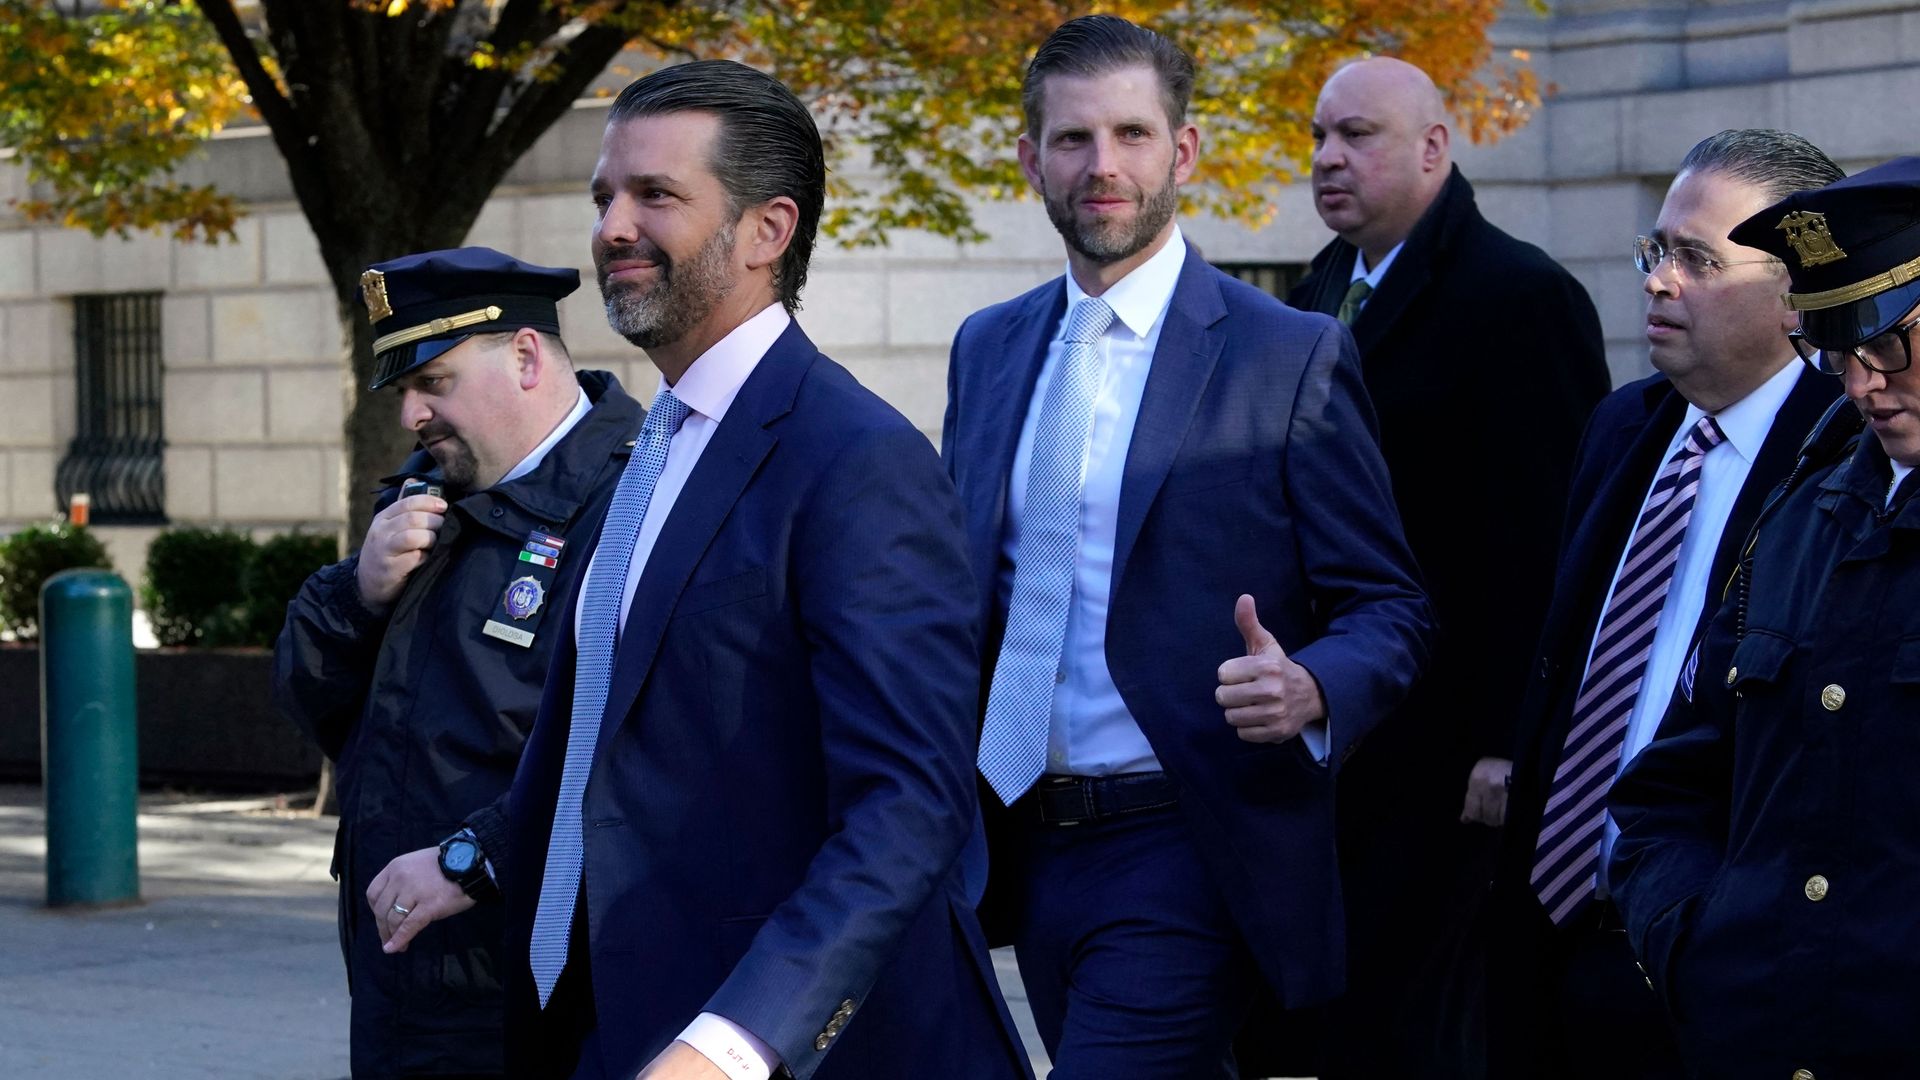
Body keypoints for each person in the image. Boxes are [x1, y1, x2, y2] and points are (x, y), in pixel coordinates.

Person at [394, 60, 1029, 1080]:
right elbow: (619, 733)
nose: (611, 227)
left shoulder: (856, 461)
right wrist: (475, 859)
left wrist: (733, 1046)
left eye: (657, 195)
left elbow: (909, 810)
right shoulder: (656, 447)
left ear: (766, 231)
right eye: (606, 196)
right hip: (603, 1020)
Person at [943, 16, 1433, 1077]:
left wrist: (1312, 685)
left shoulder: (1289, 353)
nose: (1103, 166)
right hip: (1018, 844)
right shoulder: (988, 349)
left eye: (1131, 133)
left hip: (1186, 839)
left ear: (1185, 150)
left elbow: (1391, 606)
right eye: (1073, 140)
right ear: (1031, 159)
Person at [1280, 57, 1612, 1075]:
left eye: (1359, 136)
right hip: (1339, 739)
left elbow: (1557, 541)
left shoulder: (1521, 298)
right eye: (1320, 137)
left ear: (1436, 148)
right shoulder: (1321, 288)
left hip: (1454, 761)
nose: (1329, 158)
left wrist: (1513, 745)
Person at [1491, 130, 1845, 1080]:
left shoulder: (1845, 459)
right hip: (1554, 932)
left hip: (1711, 962)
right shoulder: (1624, 425)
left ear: (1795, 290)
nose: (1657, 281)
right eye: (1657, 251)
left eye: (1697, 259)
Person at [273, 247, 644, 1078]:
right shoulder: (424, 492)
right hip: (405, 978)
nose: (411, 415)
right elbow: (313, 701)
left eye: (432, 383)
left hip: (536, 990)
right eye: (401, 391)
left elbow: (642, 754)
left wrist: (475, 860)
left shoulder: (633, 503)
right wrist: (357, 594)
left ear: (523, 356)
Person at [1608, 155, 1920, 1079]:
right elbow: (1668, 790)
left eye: (1893, 344)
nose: (1863, 386)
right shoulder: (1800, 519)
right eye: (1835, 353)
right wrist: (1699, 942)